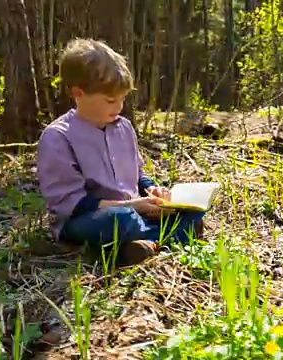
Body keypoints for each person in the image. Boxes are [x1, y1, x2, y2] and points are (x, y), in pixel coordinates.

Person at [36, 39, 206, 266]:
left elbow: (136, 174)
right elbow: (74, 204)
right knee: (121, 220)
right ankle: (163, 238)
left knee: (193, 212)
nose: (119, 107)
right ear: (79, 93)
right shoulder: (58, 137)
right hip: (88, 219)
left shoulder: (124, 127)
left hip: (136, 209)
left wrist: (151, 190)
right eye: (110, 100)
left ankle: (142, 245)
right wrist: (133, 206)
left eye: (122, 99)